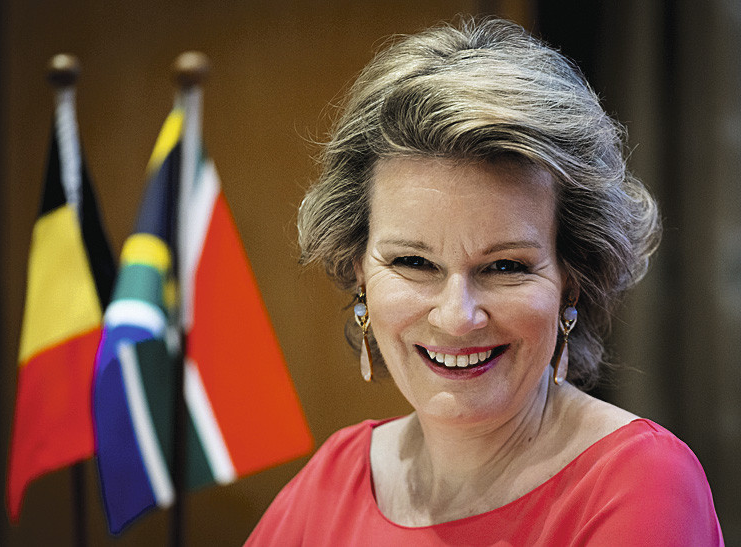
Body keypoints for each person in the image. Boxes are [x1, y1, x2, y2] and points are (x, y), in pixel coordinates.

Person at [246, 17, 723, 545]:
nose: (457, 316)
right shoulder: (332, 480)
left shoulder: (641, 483)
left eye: (505, 267)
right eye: (414, 262)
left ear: (572, 280)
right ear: (359, 272)